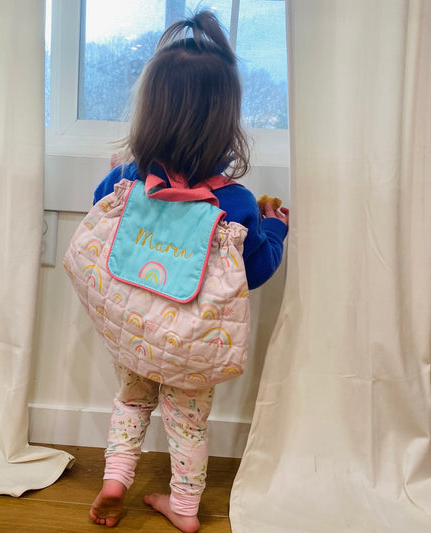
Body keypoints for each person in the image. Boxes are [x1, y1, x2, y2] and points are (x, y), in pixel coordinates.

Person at [86, 11, 289, 533]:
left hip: (135, 330)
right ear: (226, 120)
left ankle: (115, 478)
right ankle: (184, 506)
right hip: (192, 344)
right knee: (188, 425)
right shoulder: (236, 202)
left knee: (132, 400)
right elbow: (255, 271)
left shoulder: (129, 177)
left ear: (150, 114)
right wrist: (273, 229)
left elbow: (100, 214)